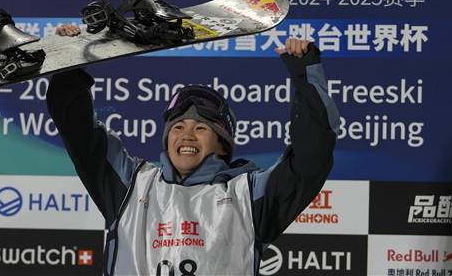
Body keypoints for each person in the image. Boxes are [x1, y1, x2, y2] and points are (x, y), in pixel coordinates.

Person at [48, 24, 339, 275]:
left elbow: (312, 156)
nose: (186, 135)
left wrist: (304, 76)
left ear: (223, 144)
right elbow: (78, 129)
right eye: (178, 127)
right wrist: (68, 64)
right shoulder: (130, 185)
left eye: (201, 128)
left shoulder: (250, 195)